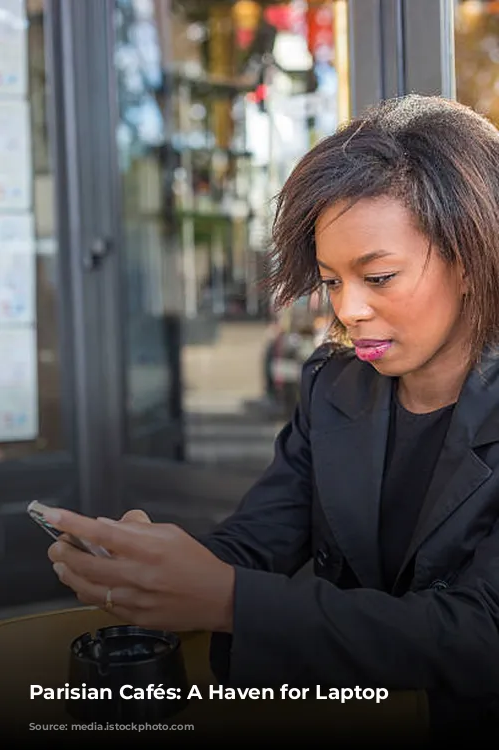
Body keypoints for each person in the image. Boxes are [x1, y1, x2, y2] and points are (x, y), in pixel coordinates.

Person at [42, 94, 499, 738]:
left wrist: (225, 598)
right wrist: (161, 564)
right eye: (334, 281)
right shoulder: (334, 386)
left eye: (380, 277)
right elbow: (257, 542)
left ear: (472, 260)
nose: (350, 311)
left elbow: (479, 635)